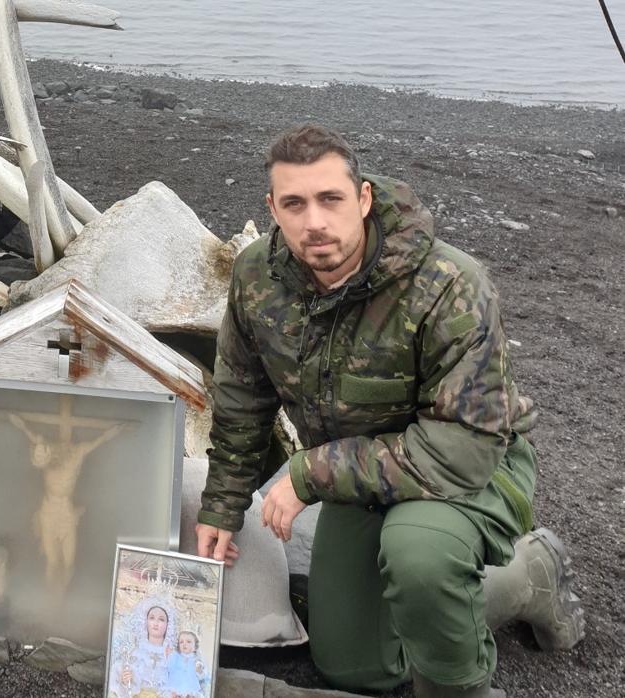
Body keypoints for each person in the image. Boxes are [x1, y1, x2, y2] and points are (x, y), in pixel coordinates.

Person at [195, 125, 585, 697]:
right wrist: (223, 507)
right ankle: (478, 598)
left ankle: (523, 584)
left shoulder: (447, 283)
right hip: (362, 474)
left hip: (474, 467)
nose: (315, 222)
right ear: (272, 209)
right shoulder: (258, 278)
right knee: (356, 669)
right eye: (294, 204)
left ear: (364, 198)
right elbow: (242, 398)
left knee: (419, 556)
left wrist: (310, 475)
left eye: (330, 199)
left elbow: (464, 447)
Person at [112, 603, 175, 698]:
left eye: (161, 619)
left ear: (168, 625)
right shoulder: (135, 653)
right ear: (145, 622)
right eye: (152, 618)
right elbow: (120, 687)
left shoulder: (173, 656)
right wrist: (125, 682)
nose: (156, 623)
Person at [165, 630, 208, 698]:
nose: (184, 644)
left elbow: (203, 676)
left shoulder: (197, 660)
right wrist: (168, 657)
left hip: (191, 691)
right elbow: (169, 669)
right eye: (181, 642)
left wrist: (200, 671)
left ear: (195, 646)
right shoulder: (175, 656)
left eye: (189, 642)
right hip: (176, 688)